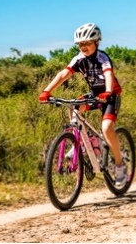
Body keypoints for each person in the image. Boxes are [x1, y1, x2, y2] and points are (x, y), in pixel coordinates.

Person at [38, 22, 127, 186]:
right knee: (74, 106)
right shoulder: (79, 59)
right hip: (94, 95)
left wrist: (107, 91)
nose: (83, 47)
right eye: (80, 44)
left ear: (97, 42)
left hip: (110, 95)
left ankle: (120, 165)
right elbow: (64, 74)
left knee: (107, 128)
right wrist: (47, 91)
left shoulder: (103, 57)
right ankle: (82, 142)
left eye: (87, 43)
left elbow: (108, 74)